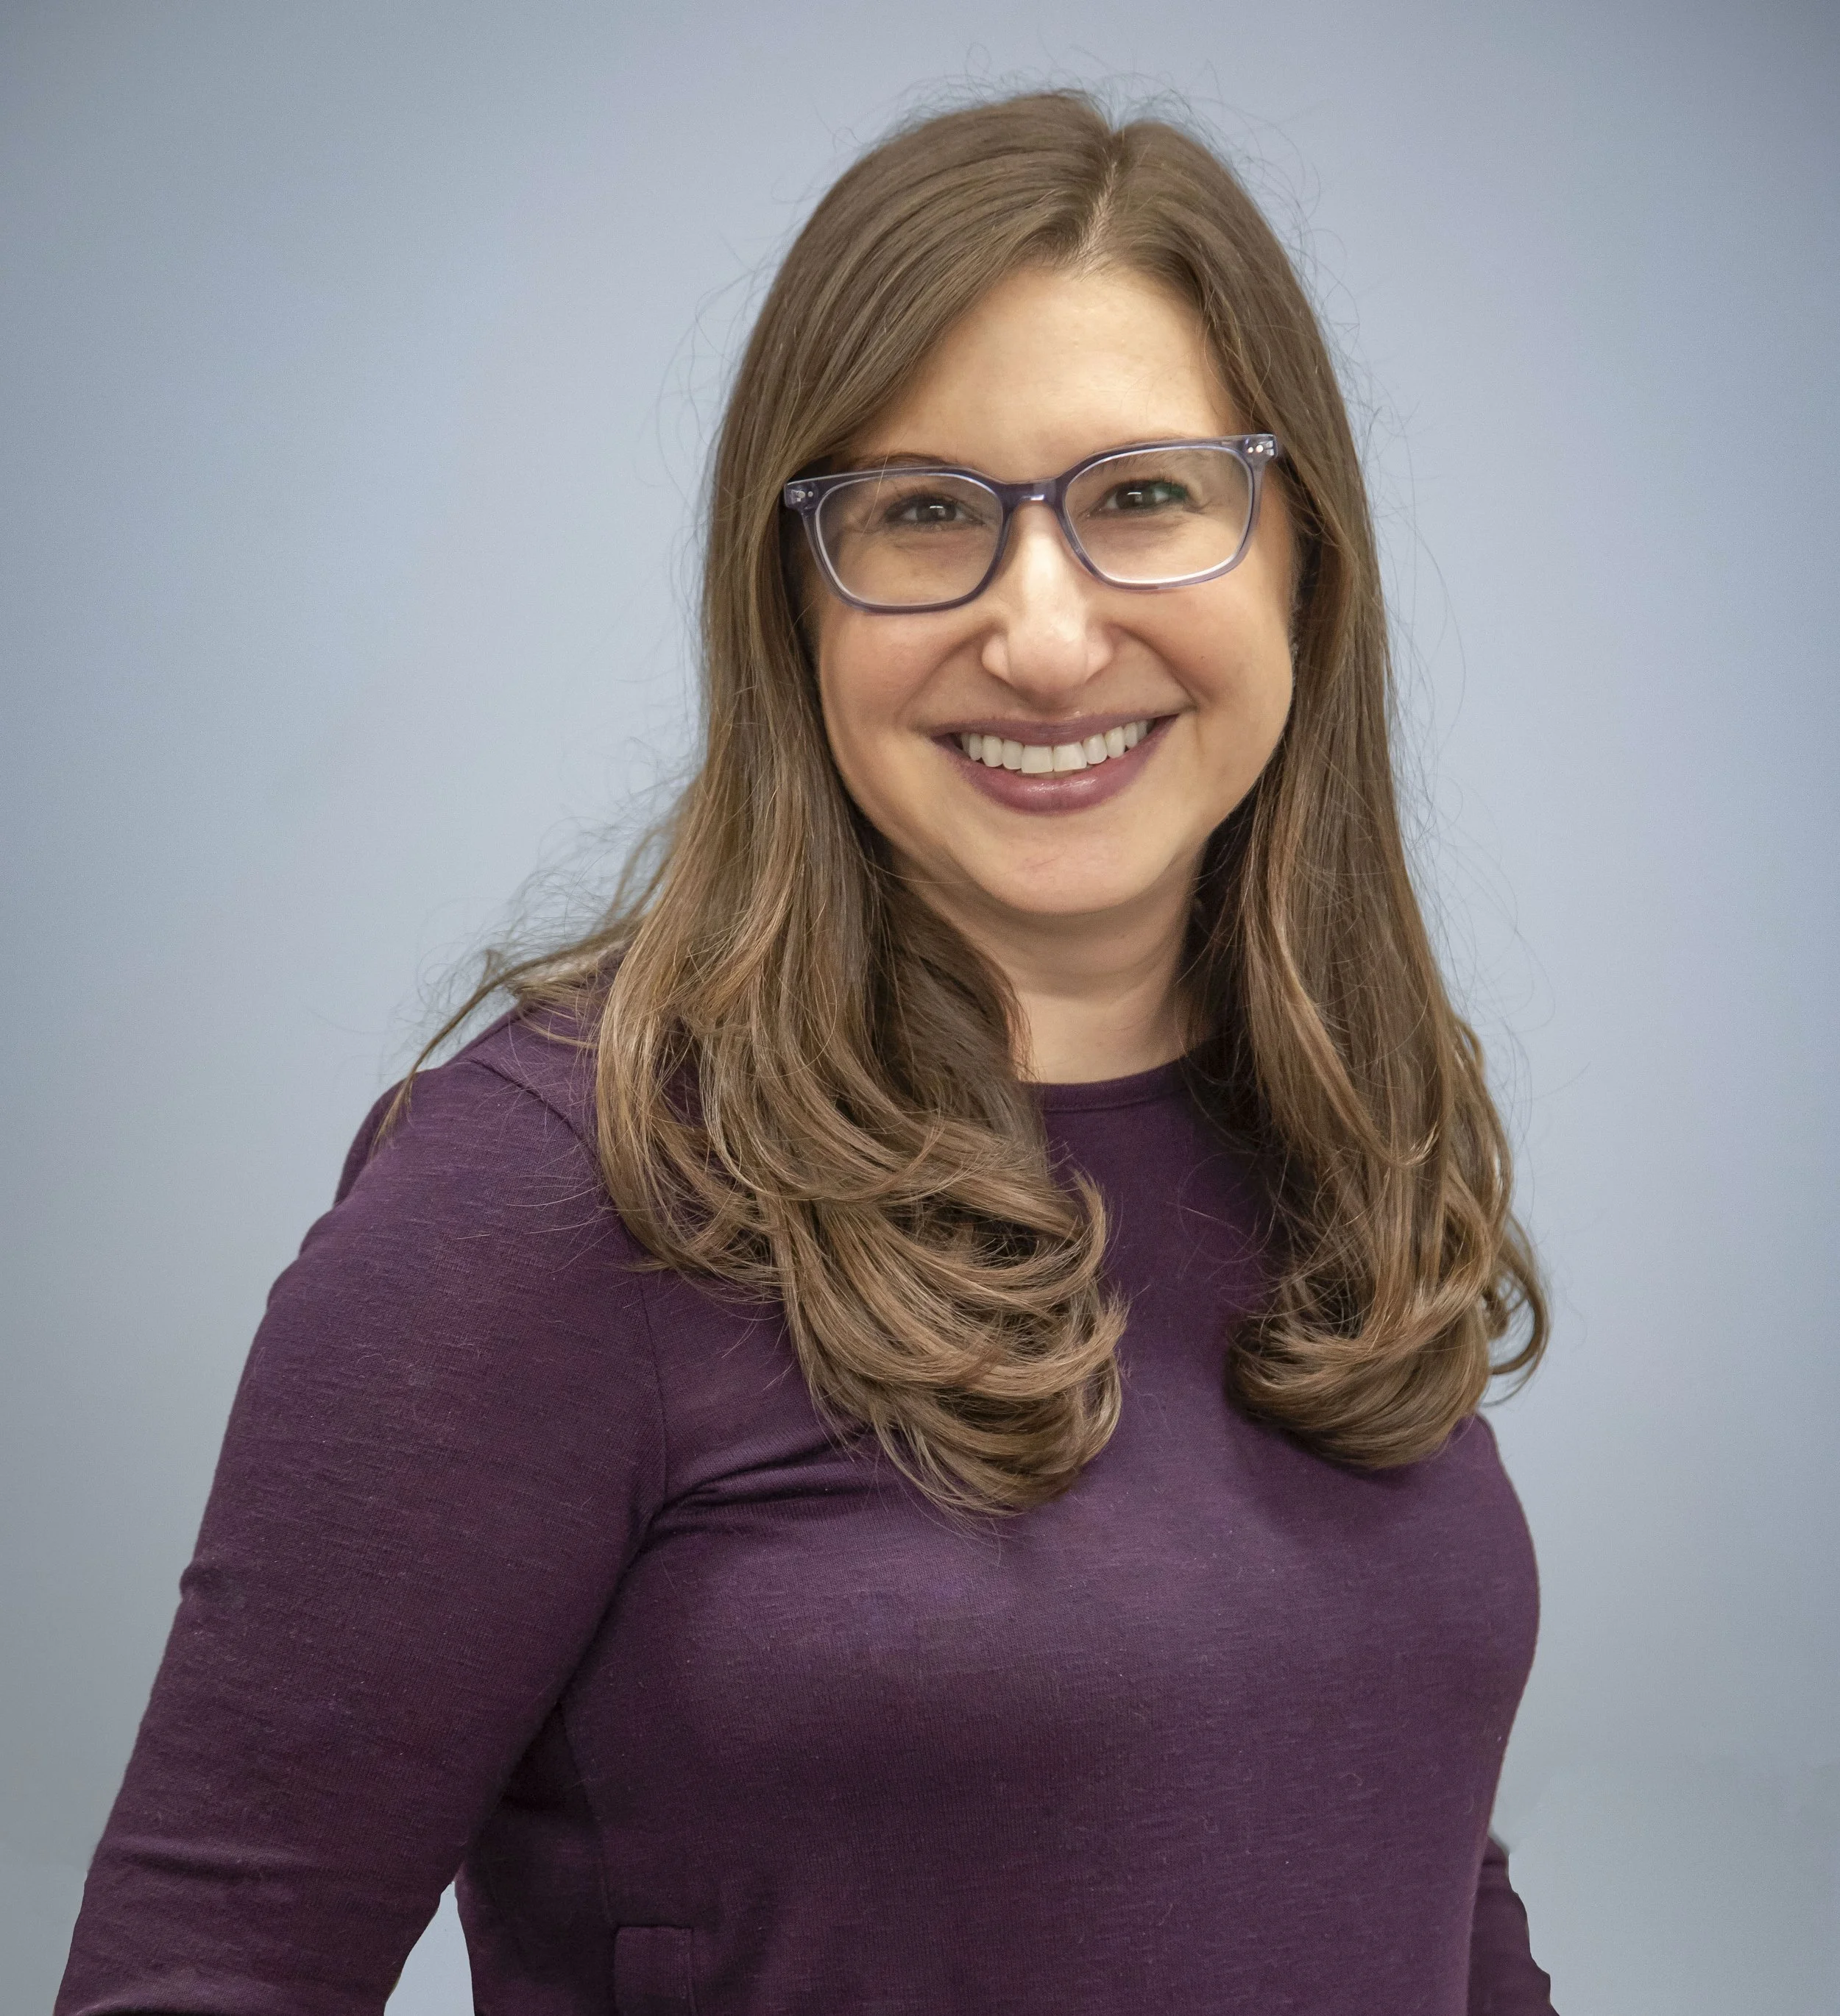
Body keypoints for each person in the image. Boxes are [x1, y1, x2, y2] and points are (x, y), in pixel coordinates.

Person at [56, 91, 1556, 2015]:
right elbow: (206, 1974)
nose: (1038, 633)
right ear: (795, 603)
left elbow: (1413, 1883)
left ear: (1299, 559)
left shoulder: (1342, 1136)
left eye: (1143, 496)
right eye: (920, 513)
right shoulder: (548, 1189)